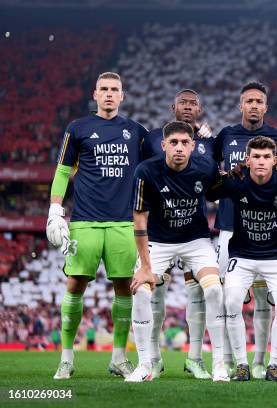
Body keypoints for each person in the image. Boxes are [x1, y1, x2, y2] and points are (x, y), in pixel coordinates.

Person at [48, 72, 148, 380]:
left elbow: (153, 167)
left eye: (114, 90)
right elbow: (63, 171)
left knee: (124, 289)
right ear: (95, 94)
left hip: (123, 224)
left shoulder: (137, 131)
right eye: (103, 89)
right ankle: (66, 358)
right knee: (75, 284)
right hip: (84, 222)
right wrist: (54, 209)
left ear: (122, 96)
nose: (108, 94)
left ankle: (118, 358)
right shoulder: (78, 128)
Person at [127, 121, 227, 382]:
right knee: (139, 290)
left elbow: (220, 190)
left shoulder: (205, 167)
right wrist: (146, 267)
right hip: (158, 242)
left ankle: (219, 364)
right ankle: (144, 365)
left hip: (195, 240)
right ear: (164, 145)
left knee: (215, 290)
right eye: (174, 143)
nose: (179, 148)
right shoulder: (146, 171)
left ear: (193, 146)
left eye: (185, 143)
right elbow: (139, 219)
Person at [213, 81, 277, 378]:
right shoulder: (226, 135)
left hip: (270, 234)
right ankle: (232, 360)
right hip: (231, 229)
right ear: (240, 105)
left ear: (266, 106)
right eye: (249, 101)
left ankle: (261, 360)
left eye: (259, 100)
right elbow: (212, 171)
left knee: (264, 301)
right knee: (229, 298)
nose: (254, 105)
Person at [142, 89, 214, 379]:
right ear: (173, 107)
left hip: (194, 231)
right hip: (159, 231)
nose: (187, 107)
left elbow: (216, 179)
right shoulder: (150, 139)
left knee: (197, 291)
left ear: (199, 109)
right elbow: (141, 177)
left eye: (193, 103)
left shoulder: (209, 141)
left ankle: (195, 357)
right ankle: (154, 358)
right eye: (182, 102)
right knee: (155, 292)